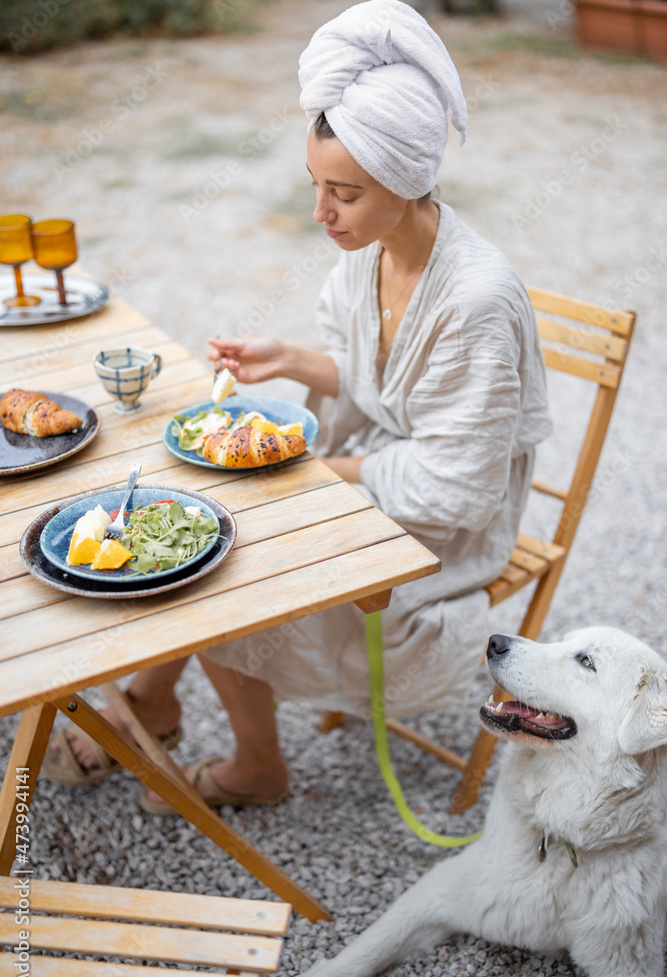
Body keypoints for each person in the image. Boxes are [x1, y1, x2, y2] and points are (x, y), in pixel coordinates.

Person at [43, 0, 552, 809]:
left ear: (410, 180)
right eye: (315, 186)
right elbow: (382, 377)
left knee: (223, 566)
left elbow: (458, 489)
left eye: (343, 193)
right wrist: (296, 361)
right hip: (377, 478)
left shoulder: (477, 301)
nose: (320, 214)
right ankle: (152, 699)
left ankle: (245, 762)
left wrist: (307, 462)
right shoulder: (372, 250)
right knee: (203, 515)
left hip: (439, 541)